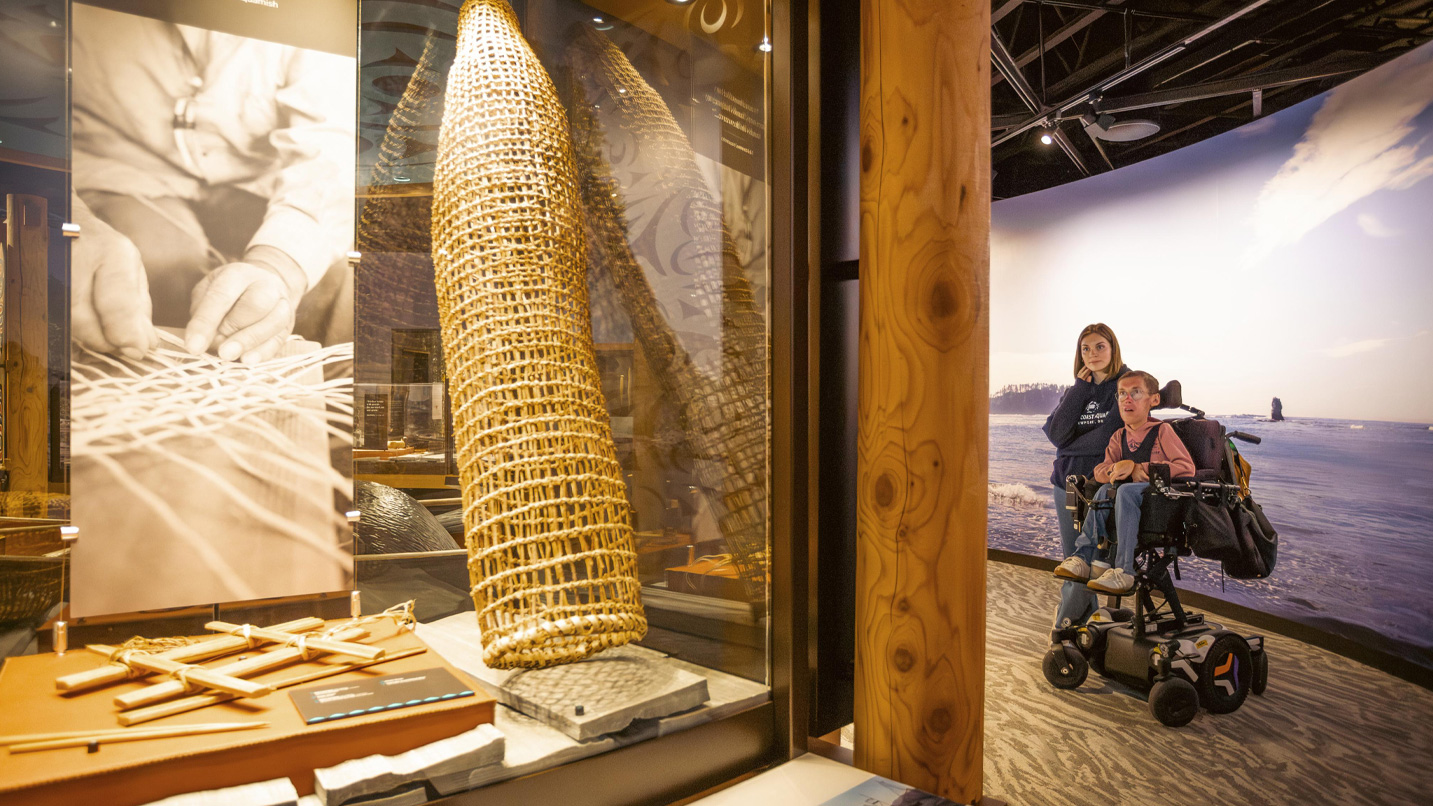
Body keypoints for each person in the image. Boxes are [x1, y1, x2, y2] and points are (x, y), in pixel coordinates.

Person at [68, 4, 354, 364]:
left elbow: (332, 148)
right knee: (155, 262)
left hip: (263, 178)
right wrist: (69, 218)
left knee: (334, 278)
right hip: (123, 168)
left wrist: (278, 267)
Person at [1054, 370, 1196, 594]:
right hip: (1125, 501)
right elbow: (1100, 471)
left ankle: (1124, 571)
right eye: (1122, 394)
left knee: (1126, 491)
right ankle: (1082, 557)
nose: (1127, 399)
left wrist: (1140, 468)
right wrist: (1114, 468)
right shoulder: (1118, 437)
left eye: (1136, 393)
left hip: (1156, 501)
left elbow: (1186, 467)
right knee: (1102, 493)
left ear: (1154, 400)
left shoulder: (1162, 431)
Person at [1043, 323, 1127, 629]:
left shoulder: (1124, 386)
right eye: (1085, 348)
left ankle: (1064, 626)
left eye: (1099, 346)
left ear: (1113, 348)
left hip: (1100, 485)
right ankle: (1082, 626)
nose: (1092, 354)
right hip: (1067, 482)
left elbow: (1109, 437)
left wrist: (1070, 444)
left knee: (1092, 562)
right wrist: (1080, 390)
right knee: (1074, 561)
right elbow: (1055, 433)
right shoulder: (1075, 389)